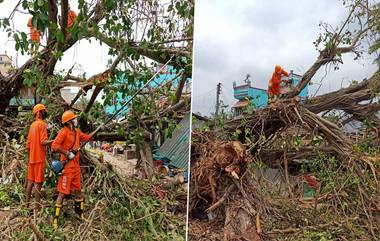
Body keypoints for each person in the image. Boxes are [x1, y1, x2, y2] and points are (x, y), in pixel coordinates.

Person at [51, 110, 94, 229]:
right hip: (66, 168)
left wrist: (97, 131)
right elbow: (54, 146)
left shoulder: (76, 132)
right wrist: (66, 153)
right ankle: (55, 220)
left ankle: (80, 214)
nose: (76, 120)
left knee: (78, 190)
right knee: (62, 192)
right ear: (69, 122)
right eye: (74, 119)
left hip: (75, 167)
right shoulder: (63, 132)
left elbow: (87, 138)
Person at [26, 104, 51, 212]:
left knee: (30, 182)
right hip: (39, 158)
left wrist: (32, 154)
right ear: (39, 113)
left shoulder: (32, 125)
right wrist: (54, 141)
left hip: (32, 159)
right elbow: (43, 141)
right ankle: (37, 207)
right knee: (38, 183)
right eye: (43, 111)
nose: (45, 113)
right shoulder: (42, 124)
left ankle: (26, 205)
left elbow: (28, 145)